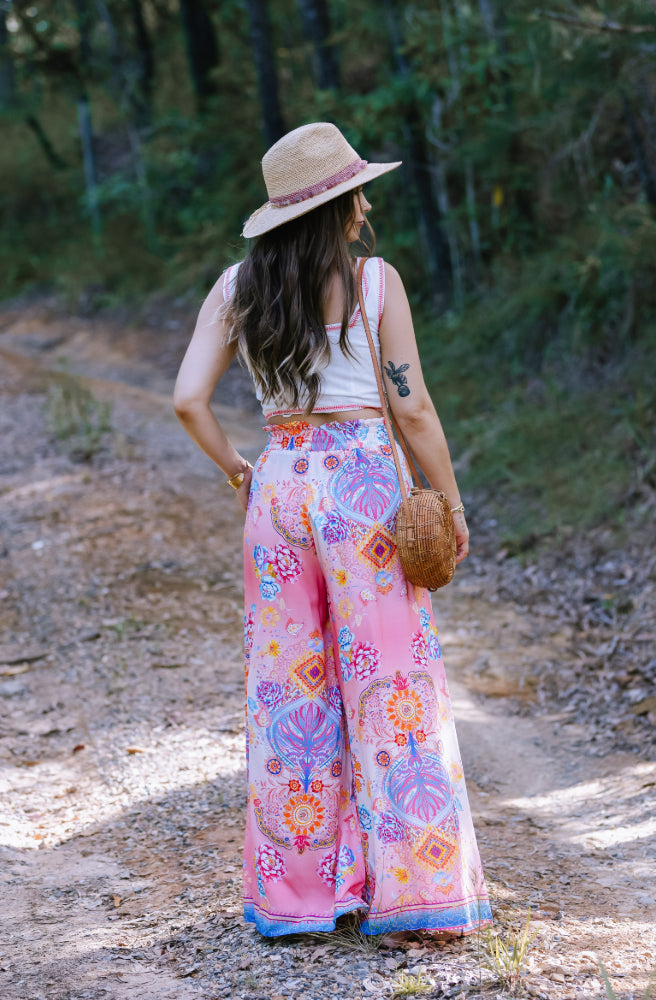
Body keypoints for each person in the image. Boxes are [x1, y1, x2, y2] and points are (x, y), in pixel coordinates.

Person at [174, 122, 492, 938]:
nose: (369, 202)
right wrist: (450, 504)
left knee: (290, 693)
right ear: (339, 207)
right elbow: (411, 408)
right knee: (391, 683)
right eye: (359, 191)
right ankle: (416, 891)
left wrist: (241, 471)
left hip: (278, 487)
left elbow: (187, 400)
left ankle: (303, 899)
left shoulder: (236, 289)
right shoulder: (375, 283)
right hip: (362, 494)